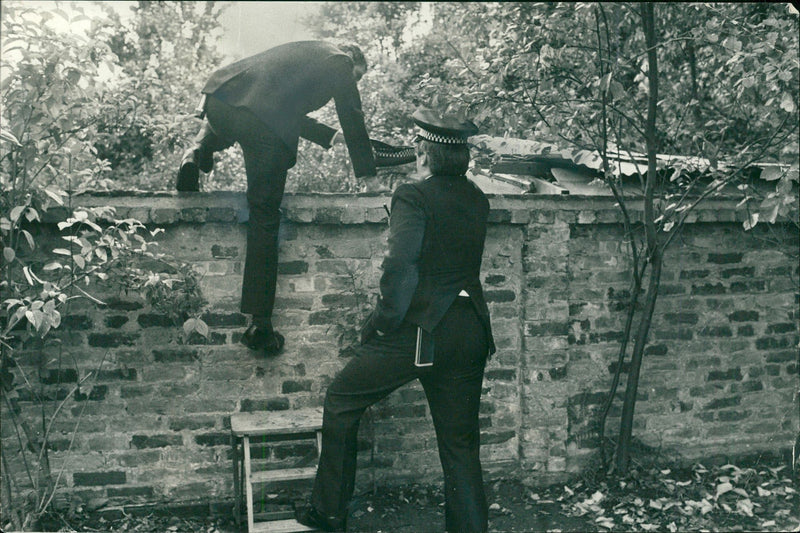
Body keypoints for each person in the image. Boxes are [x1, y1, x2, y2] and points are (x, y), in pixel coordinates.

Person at [295, 107, 496, 533]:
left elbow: (400, 266)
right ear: (461, 158)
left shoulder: (412, 195)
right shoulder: (478, 198)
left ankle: (329, 512)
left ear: (424, 155)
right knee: (461, 447)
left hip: (423, 331)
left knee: (342, 400)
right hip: (472, 328)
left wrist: (383, 323)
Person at [177, 41, 385, 356]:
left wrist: (329, 136)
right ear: (352, 61)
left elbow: (271, 108)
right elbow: (351, 111)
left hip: (220, 100)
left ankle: (196, 150)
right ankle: (260, 324)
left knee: (237, 121)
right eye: (355, 79)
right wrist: (366, 170)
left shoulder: (303, 55)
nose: (349, 84)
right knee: (264, 214)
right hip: (261, 126)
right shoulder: (341, 61)